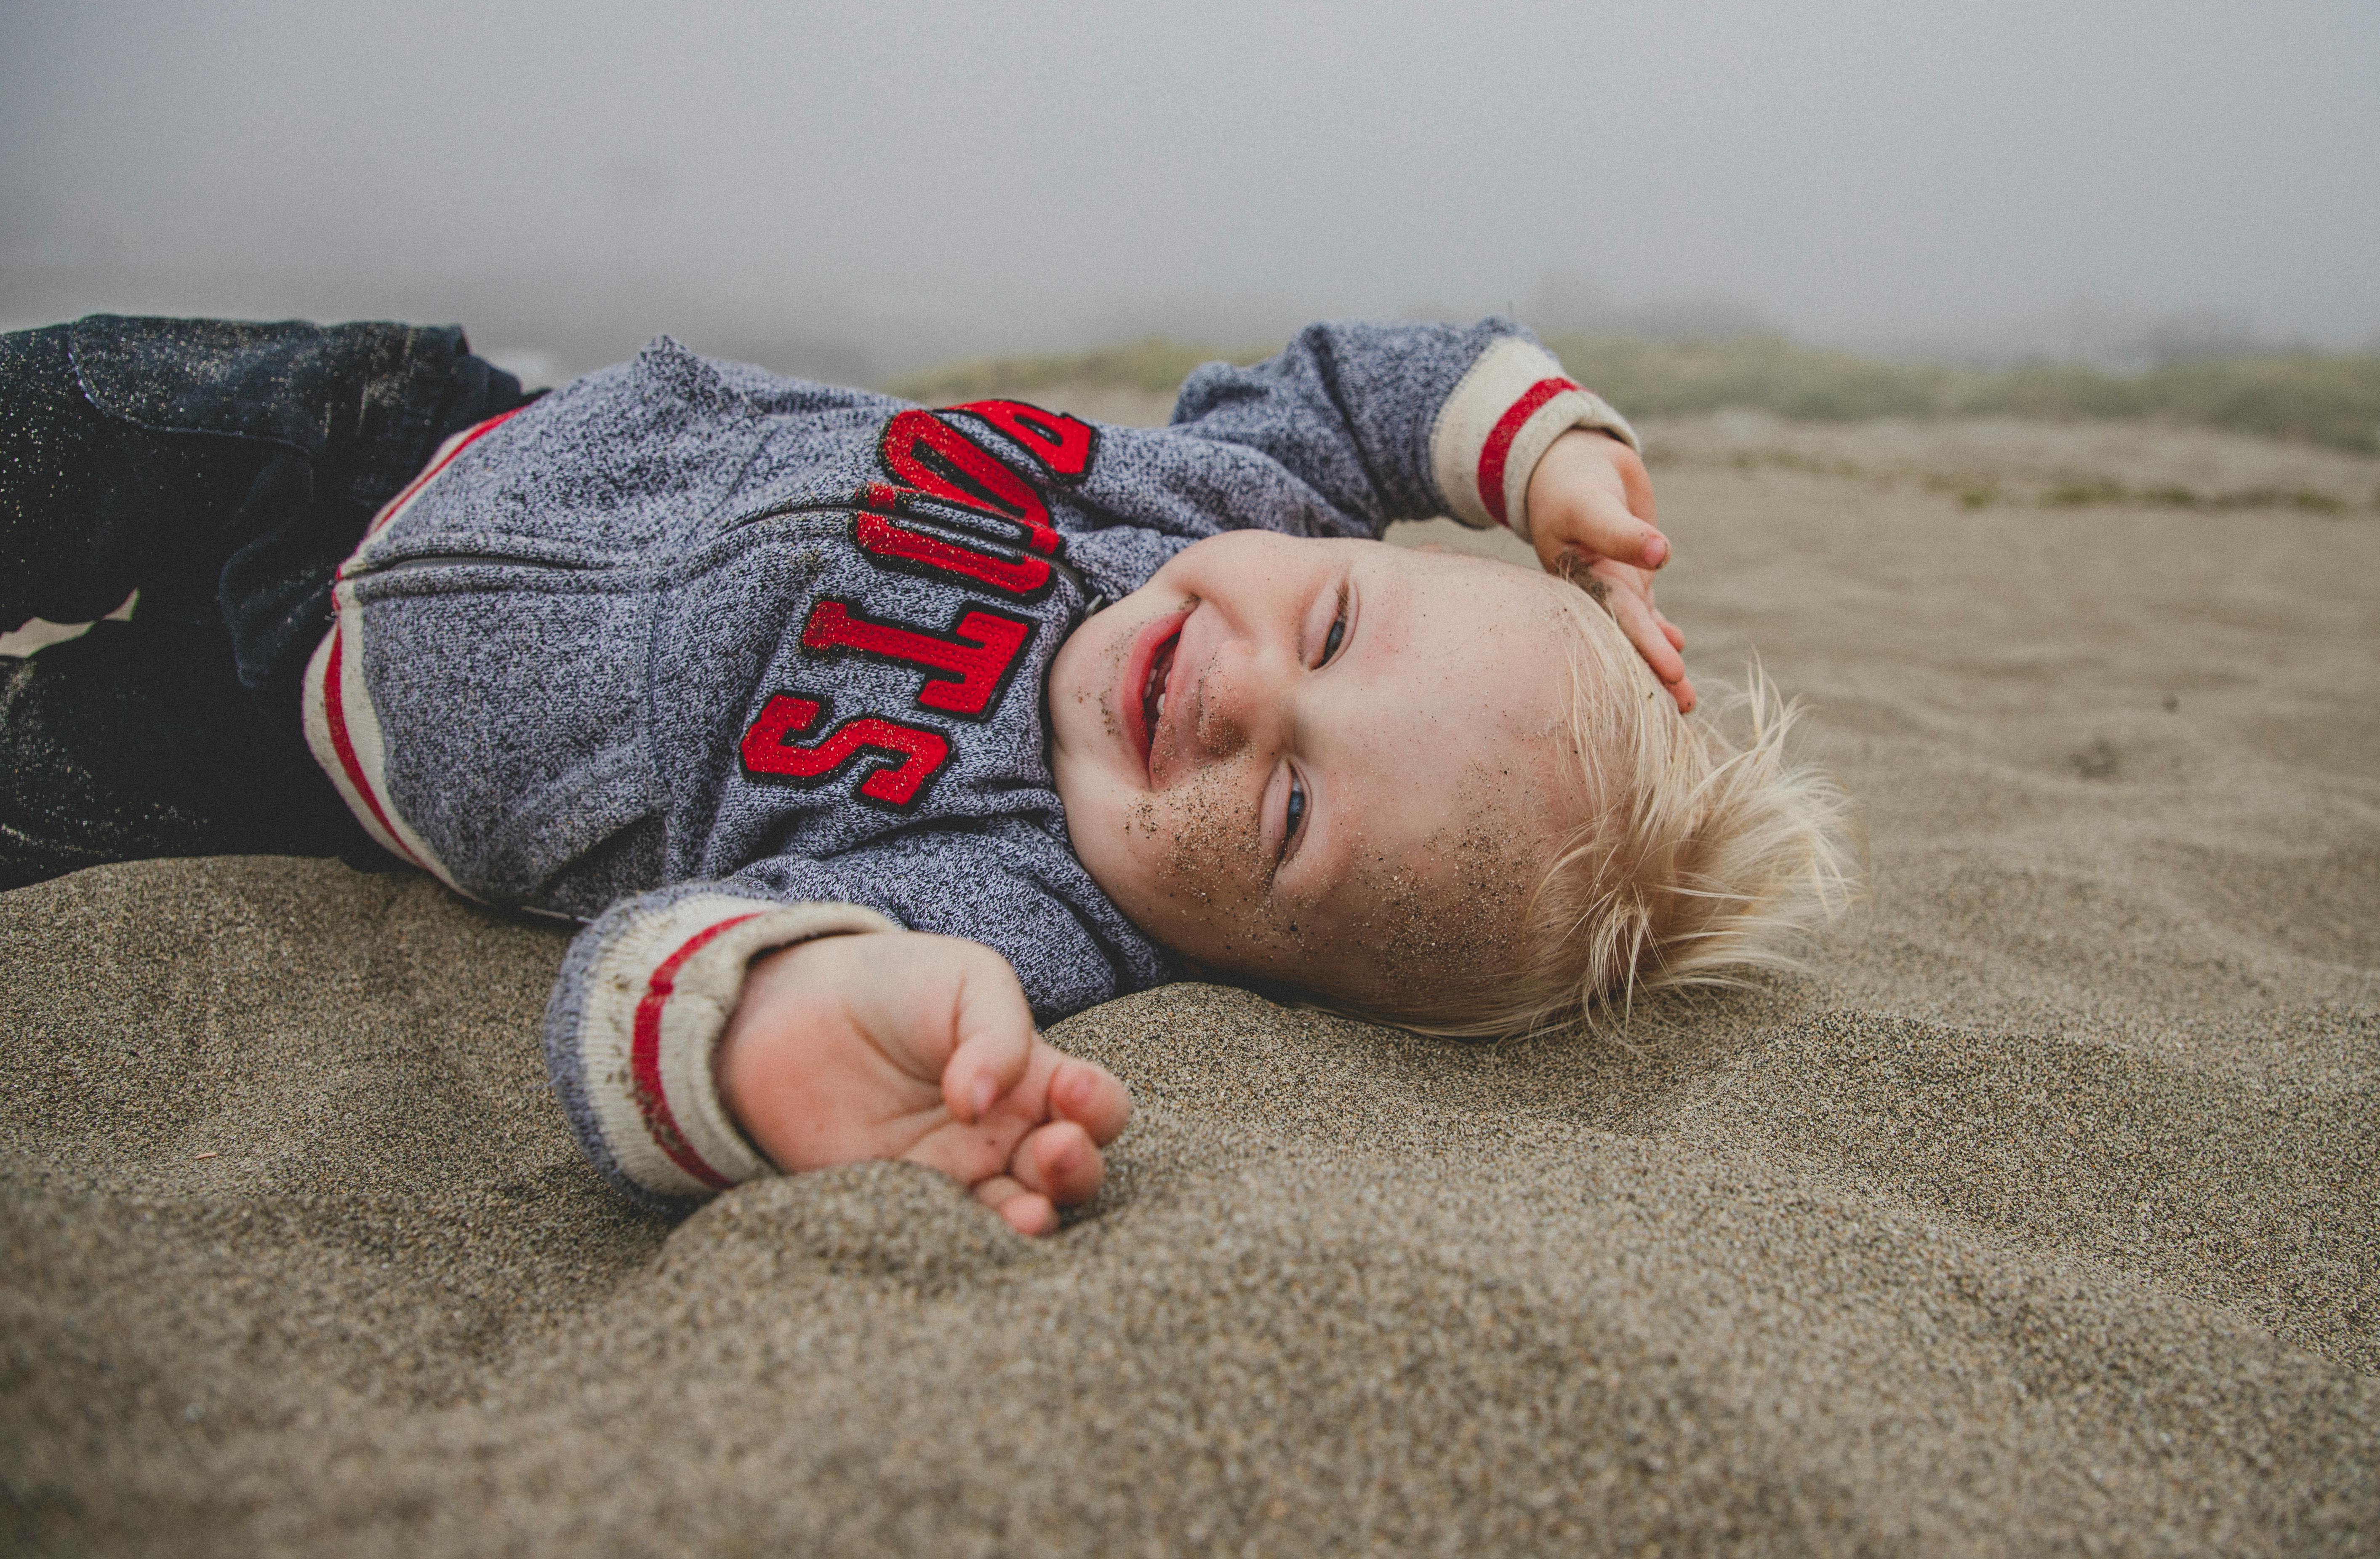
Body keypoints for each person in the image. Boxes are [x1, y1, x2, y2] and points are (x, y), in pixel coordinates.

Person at [0, 315, 1852, 1234]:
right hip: (416, 426)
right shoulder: (1213, 504)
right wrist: (1543, 449)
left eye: (1292, 812)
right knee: (58, 416)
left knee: (42, 787)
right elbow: (1370, 385)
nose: (1245, 691)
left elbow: (652, 961)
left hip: (322, 747)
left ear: (1272, 982)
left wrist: (788, 1020)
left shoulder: (1023, 898)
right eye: (1345, 626)